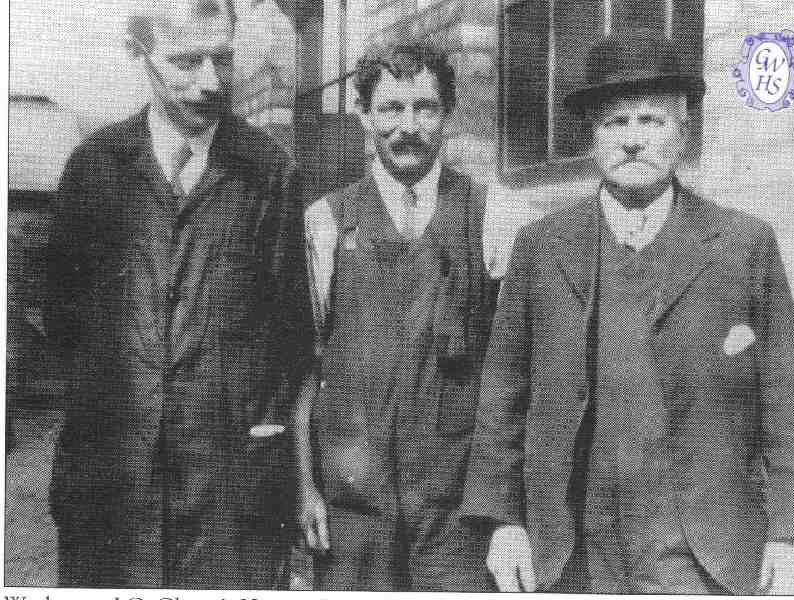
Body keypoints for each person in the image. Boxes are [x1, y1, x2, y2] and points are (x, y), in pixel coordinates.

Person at [458, 33, 794, 594]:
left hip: (701, 547)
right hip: (573, 545)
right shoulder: (541, 245)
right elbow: (504, 388)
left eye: (651, 121)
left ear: (683, 132)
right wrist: (504, 522)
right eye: (616, 123)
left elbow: (788, 393)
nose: (633, 140)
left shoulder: (741, 243)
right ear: (593, 135)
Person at [44, 0, 313, 588]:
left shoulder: (269, 173)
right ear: (141, 56)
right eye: (186, 62)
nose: (211, 82)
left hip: (229, 502)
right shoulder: (95, 169)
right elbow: (62, 320)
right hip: (113, 494)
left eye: (222, 58)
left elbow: (292, 338)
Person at [295, 38, 522, 591]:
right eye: (390, 109)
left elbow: (514, 375)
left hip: (456, 508)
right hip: (354, 507)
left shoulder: (493, 215)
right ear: (366, 118)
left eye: (424, 108)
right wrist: (306, 490)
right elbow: (303, 370)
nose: (407, 126)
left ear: (447, 115)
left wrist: (504, 511)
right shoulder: (325, 223)